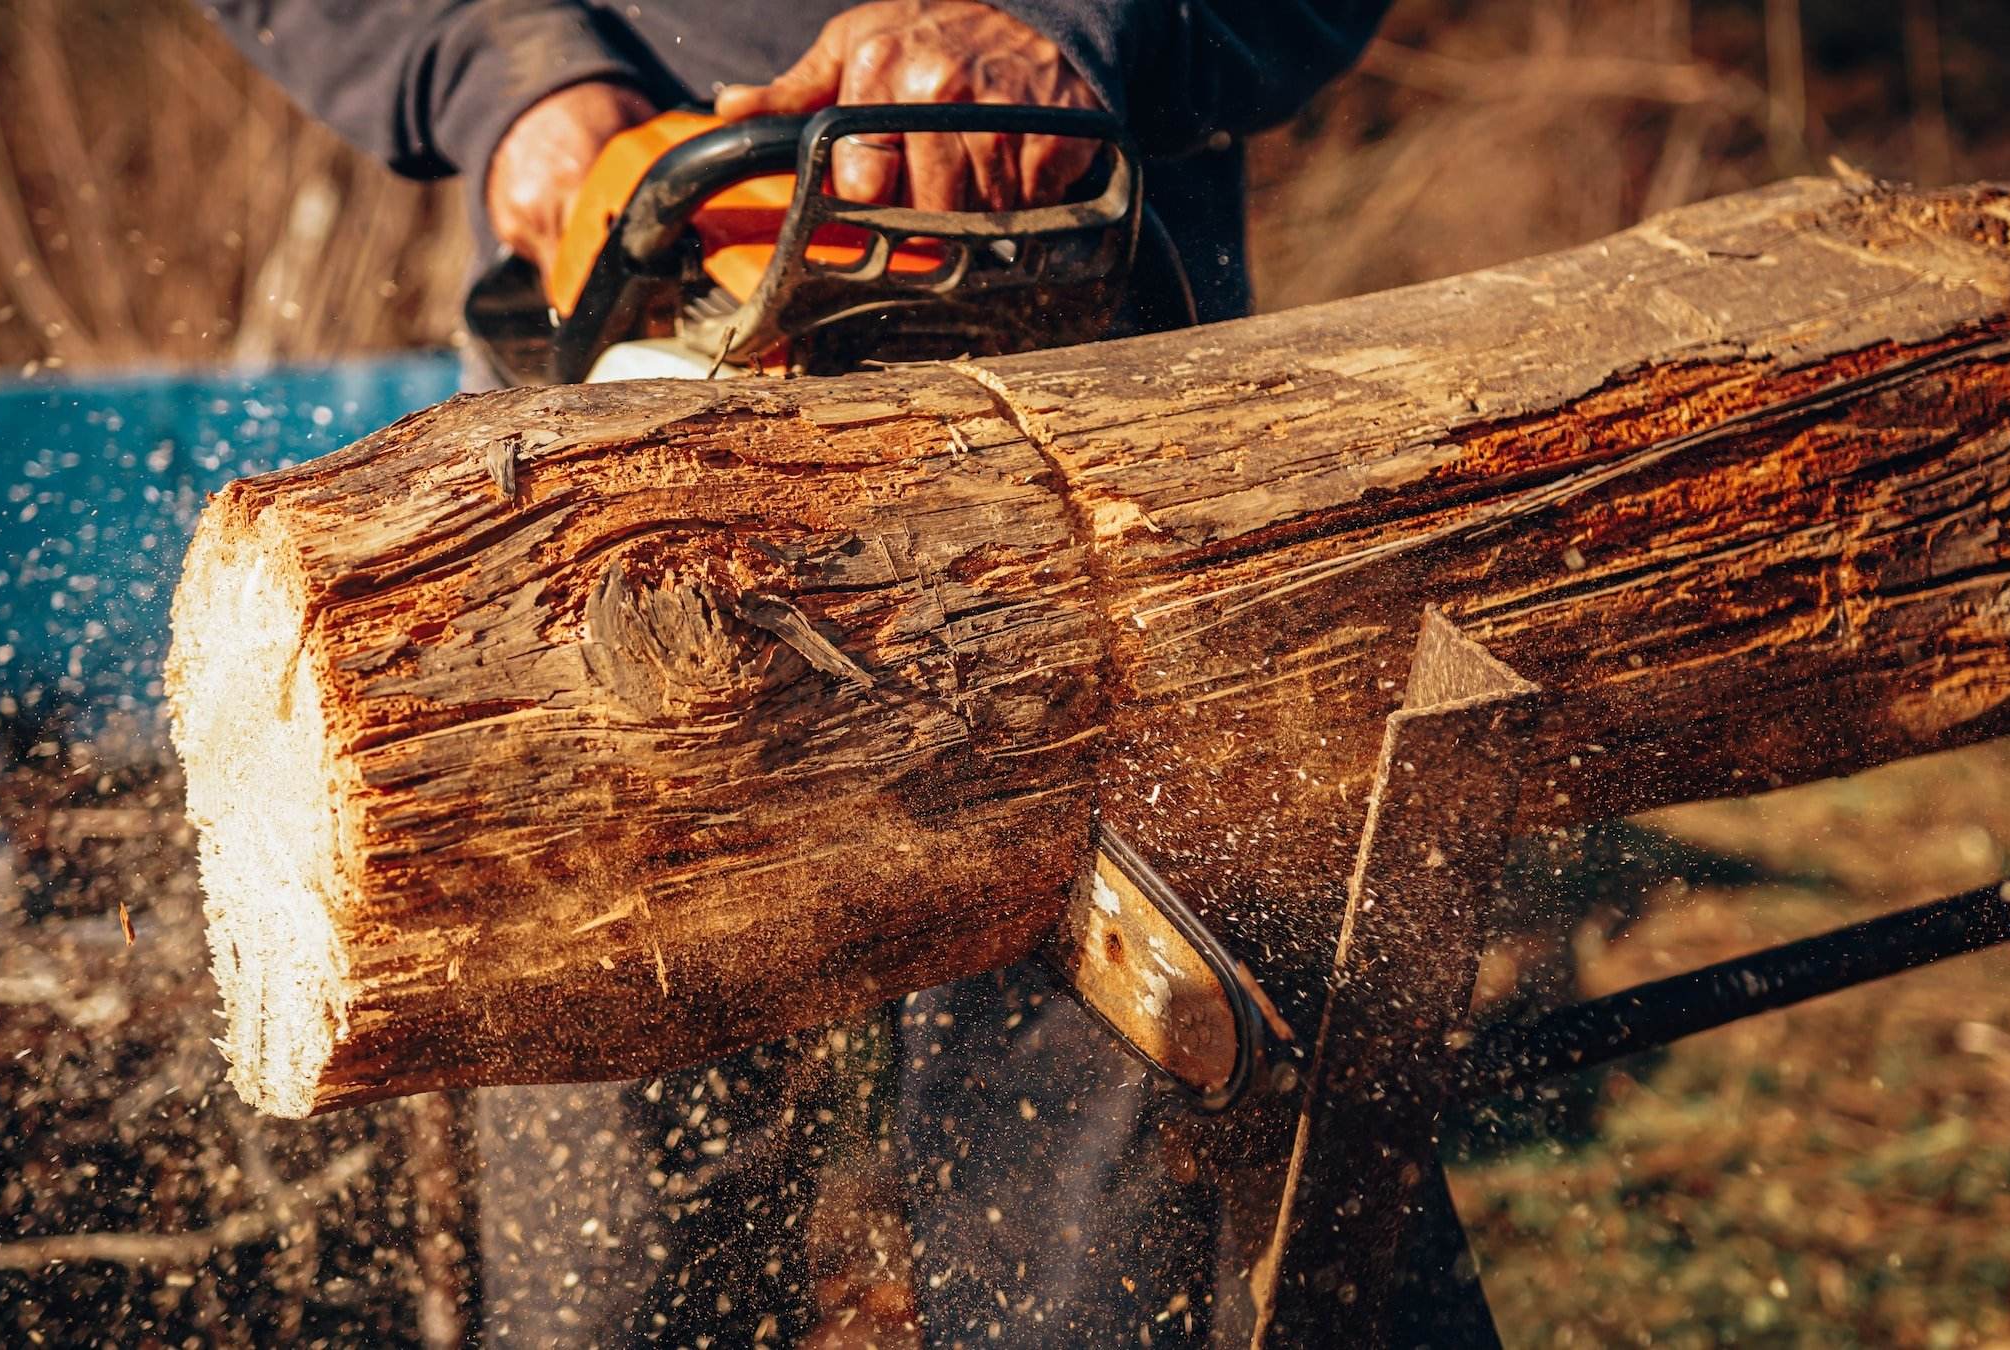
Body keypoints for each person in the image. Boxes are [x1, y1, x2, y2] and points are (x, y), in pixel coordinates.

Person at [202, 3, 1393, 1343]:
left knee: (1114, 1249)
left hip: (1087, 407)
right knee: (619, 1273)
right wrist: (499, 68)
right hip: (605, 435)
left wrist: (1076, 22)